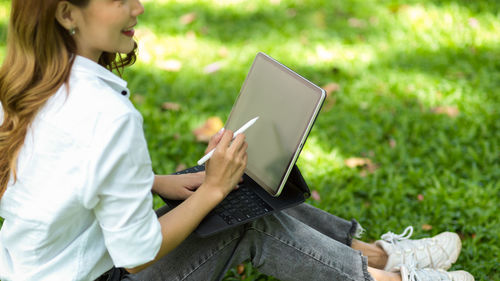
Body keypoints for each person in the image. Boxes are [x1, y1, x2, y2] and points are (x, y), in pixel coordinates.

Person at [0, 1, 474, 281]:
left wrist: (163, 182)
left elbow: (62, 174)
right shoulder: (107, 116)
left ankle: (375, 255)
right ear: (66, 13)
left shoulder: (21, 81)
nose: (138, 6)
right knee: (236, 216)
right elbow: (136, 253)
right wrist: (211, 193)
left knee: (226, 183)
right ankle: (386, 277)